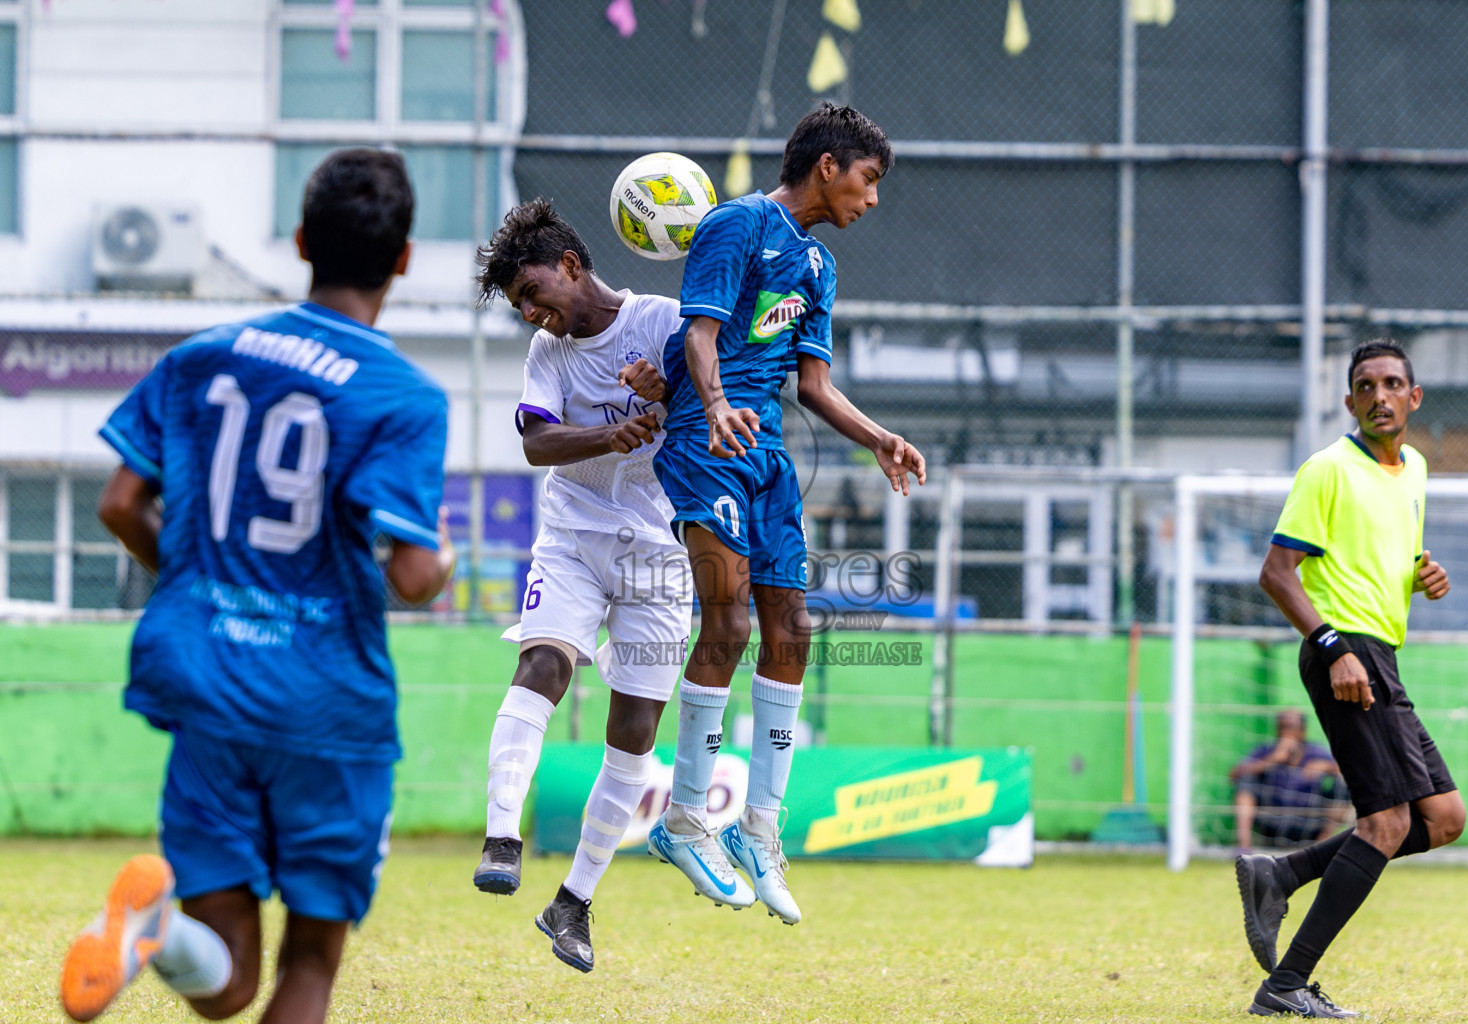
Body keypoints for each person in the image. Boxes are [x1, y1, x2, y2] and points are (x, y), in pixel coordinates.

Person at [59, 149, 454, 1024]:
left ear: (303, 240)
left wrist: (199, 582)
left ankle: (152, 927)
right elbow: (416, 575)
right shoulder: (404, 397)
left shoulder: (202, 357)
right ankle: (158, 928)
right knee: (307, 967)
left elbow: (122, 503)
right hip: (325, 704)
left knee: (227, 984)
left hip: (206, 681)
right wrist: (447, 557)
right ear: (404, 258)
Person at [645, 102, 926, 925]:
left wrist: (879, 438)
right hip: (708, 434)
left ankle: (759, 829)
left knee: (793, 631)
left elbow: (813, 384)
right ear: (829, 165)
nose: (872, 199)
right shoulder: (737, 225)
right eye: (869, 181)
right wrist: (717, 401)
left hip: (766, 456)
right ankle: (686, 817)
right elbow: (700, 333)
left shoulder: (819, 267)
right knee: (724, 623)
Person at [469, 199, 697, 973]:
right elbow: (537, 442)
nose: (534, 312)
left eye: (535, 292)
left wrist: (663, 389)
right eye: (521, 306)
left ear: (571, 265)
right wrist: (610, 431)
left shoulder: (664, 321)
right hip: (573, 533)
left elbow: (716, 400)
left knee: (634, 731)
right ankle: (503, 835)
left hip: (661, 544)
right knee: (543, 664)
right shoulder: (548, 352)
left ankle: (574, 903)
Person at [1239, 338, 1465, 1018]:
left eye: (1393, 384)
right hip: (1344, 653)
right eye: (1366, 387)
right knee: (1388, 822)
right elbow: (1277, 574)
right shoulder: (1327, 469)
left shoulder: (1416, 470)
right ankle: (1285, 986)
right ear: (1350, 402)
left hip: (1381, 656)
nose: (1380, 396)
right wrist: (1333, 646)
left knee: (1444, 818)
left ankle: (1282, 874)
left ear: (1413, 397)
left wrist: (1427, 572)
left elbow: (1400, 550)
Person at [1230, 710, 1349, 853]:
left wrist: (1327, 767)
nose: (1286, 732)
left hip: (1309, 823)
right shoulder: (1267, 750)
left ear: (1302, 731)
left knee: (1343, 786)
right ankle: (1244, 848)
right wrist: (1271, 760)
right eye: (1282, 727)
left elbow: (1349, 772)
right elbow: (1233, 776)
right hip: (1270, 822)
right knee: (1246, 781)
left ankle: (1318, 851)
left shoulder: (1316, 752)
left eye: (1291, 727)